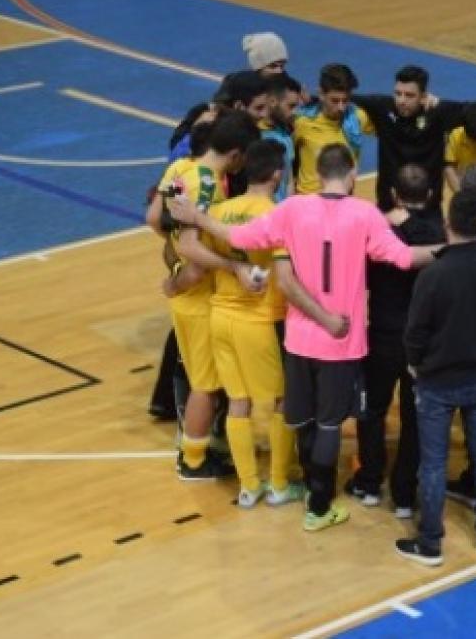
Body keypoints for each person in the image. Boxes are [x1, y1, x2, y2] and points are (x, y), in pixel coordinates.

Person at [167, 143, 440, 531]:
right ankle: (319, 505)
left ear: (317, 170)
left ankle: (287, 484)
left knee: (301, 418)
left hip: (297, 337)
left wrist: (197, 216)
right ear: (351, 173)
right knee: (330, 425)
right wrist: (451, 249)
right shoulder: (365, 215)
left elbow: (241, 237)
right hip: (341, 340)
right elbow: (403, 258)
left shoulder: (292, 208)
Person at [181, 139, 305, 508]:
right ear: (278, 175)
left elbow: (192, 250)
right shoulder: (276, 214)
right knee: (282, 400)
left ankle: (249, 487)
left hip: (220, 314)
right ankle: (280, 483)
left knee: (238, 401)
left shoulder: (220, 209)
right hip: (259, 320)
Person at [397, 190, 476, 566]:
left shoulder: (434, 274)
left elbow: (415, 332)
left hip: (437, 381)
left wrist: (416, 365)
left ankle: (431, 542)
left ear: (448, 224)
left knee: (433, 463)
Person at [154, 109, 259, 480]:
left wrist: (174, 267)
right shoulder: (208, 183)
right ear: (235, 154)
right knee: (206, 386)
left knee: (206, 380)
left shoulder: (181, 167)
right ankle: (193, 460)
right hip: (198, 297)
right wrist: (233, 267)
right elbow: (191, 244)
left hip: (186, 292)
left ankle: (200, 450)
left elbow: (154, 218)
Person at [347, 164, 446, 516]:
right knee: (414, 415)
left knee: (372, 409)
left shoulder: (379, 228)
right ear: (432, 196)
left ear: (393, 194)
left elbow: (365, 277)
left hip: (383, 334)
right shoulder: (438, 233)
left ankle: (370, 481)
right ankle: (405, 494)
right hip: (422, 341)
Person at [353, 65, 476, 213]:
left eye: (409, 95)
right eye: (398, 93)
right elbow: (349, 98)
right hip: (389, 205)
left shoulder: (438, 112)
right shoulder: (382, 108)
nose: (401, 100)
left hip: (428, 208)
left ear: (423, 96)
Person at [292, 64, 375, 194]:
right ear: (321, 94)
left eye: (345, 100)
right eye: (335, 101)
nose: (341, 107)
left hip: (343, 200)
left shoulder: (358, 118)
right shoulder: (302, 122)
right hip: (308, 201)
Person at [259, 73, 303, 202]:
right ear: (273, 102)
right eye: (291, 106)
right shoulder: (255, 135)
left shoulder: (285, 134)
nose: (296, 112)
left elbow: (288, 180)